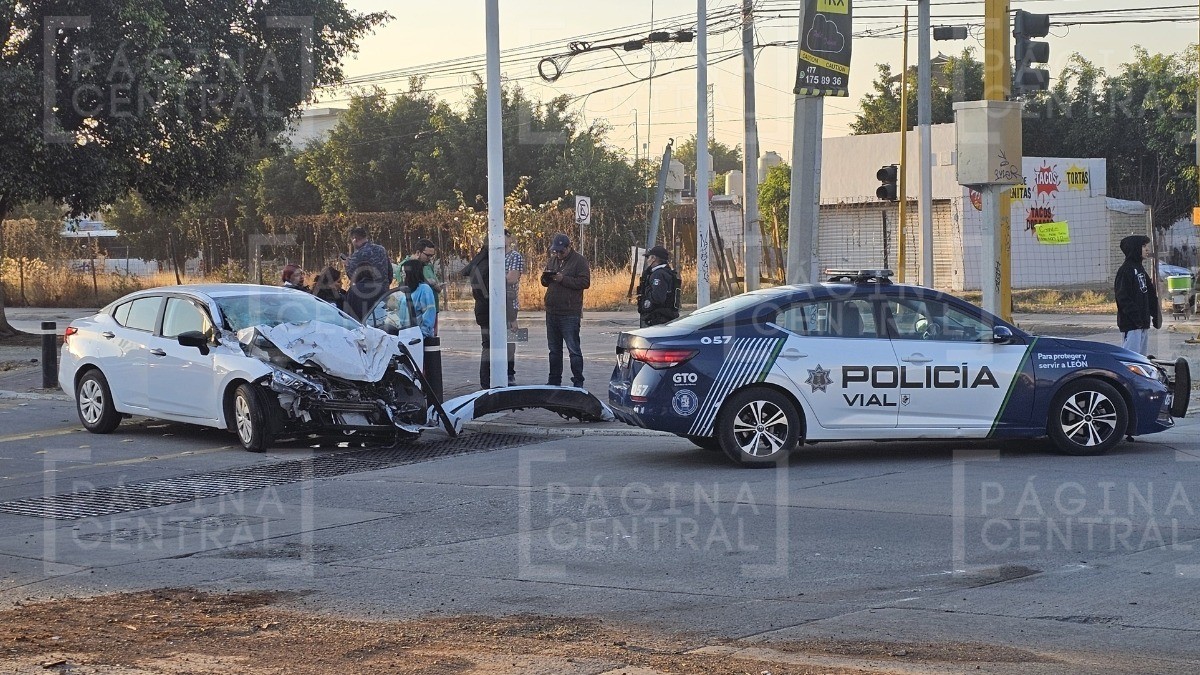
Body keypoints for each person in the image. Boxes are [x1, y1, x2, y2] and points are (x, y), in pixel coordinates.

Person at [461, 234, 517, 388]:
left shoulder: (479, 262)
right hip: (494, 309)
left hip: (482, 308)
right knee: (498, 345)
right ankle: (493, 381)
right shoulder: (492, 265)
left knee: (490, 345)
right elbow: (502, 292)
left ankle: (488, 381)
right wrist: (512, 317)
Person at [540, 232, 590, 388]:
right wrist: (546, 277)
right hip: (552, 311)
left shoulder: (579, 261)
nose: (558, 254)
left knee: (573, 349)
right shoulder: (553, 260)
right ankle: (554, 379)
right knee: (554, 350)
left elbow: (585, 282)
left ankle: (578, 380)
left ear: (569, 247)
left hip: (569, 312)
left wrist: (564, 279)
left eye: (561, 251)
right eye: (556, 251)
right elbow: (545, 282)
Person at [1114, 234, 1161, 356]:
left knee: (1141, 359)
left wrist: (1156, 314)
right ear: (1134, 248)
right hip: (1131, 325)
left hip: (1143, 324)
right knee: (1131, 359)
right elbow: (1122, 297)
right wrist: (1136, 318)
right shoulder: (1125, 271)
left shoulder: (1140, 270)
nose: (1147, 249)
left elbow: (1150, 294)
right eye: (1143, 246)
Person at [342, 226, 391, 321]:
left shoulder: (357, 255)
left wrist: (347, 265)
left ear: (354, 239)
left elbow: (353, 278)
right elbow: (390, 272)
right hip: (384, 294)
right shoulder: (381, 249)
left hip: (365, 298)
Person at [636, 246, 680, 327]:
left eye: (648, 257)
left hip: (658, 318)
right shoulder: (667, 272)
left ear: (654, 258)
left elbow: (658, 297)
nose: (647, 260)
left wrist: (646, 291)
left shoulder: (658, 274)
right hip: (665, 316)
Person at [399, 259, 437, 338]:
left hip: (418, 338)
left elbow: (429, 313)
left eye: (404, 272)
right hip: (405, 335)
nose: (402, 275)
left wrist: (421, 334)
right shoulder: (405, 291)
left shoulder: (424, 289)